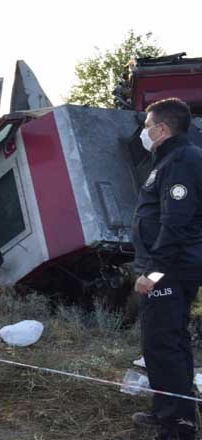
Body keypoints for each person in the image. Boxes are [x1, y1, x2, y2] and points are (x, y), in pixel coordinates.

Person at [130, 98, 202, 440]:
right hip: (173, 266)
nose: (144, 133)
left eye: (147, 127)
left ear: (161, 128)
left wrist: (153, 273)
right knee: (171, 339)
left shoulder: (181, 161)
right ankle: (172, 411)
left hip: (170, 269)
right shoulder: (171, 159)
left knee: (162, 343)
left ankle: (177, 425)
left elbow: (175, 224)